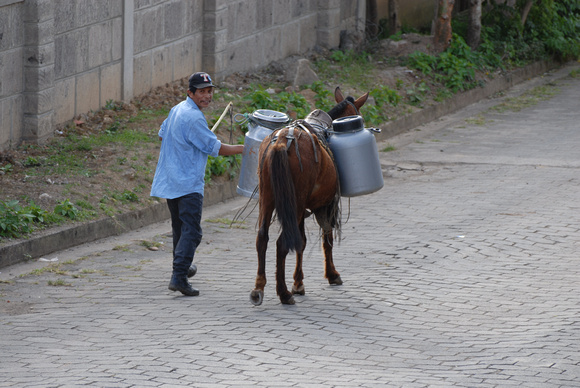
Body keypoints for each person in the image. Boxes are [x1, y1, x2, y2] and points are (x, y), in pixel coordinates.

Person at [150, 72, 244, 296]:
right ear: (190, 93)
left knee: (180, 228)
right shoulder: (193, 118)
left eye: (209, 91)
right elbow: (217, 149)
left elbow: (162, 135)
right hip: (187, 182)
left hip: (171, 179)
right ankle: (179, 276)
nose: (207, 96)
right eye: (201, 92)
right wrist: (246, 148)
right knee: (193, 231)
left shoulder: (177, 110)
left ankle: (181, 266)